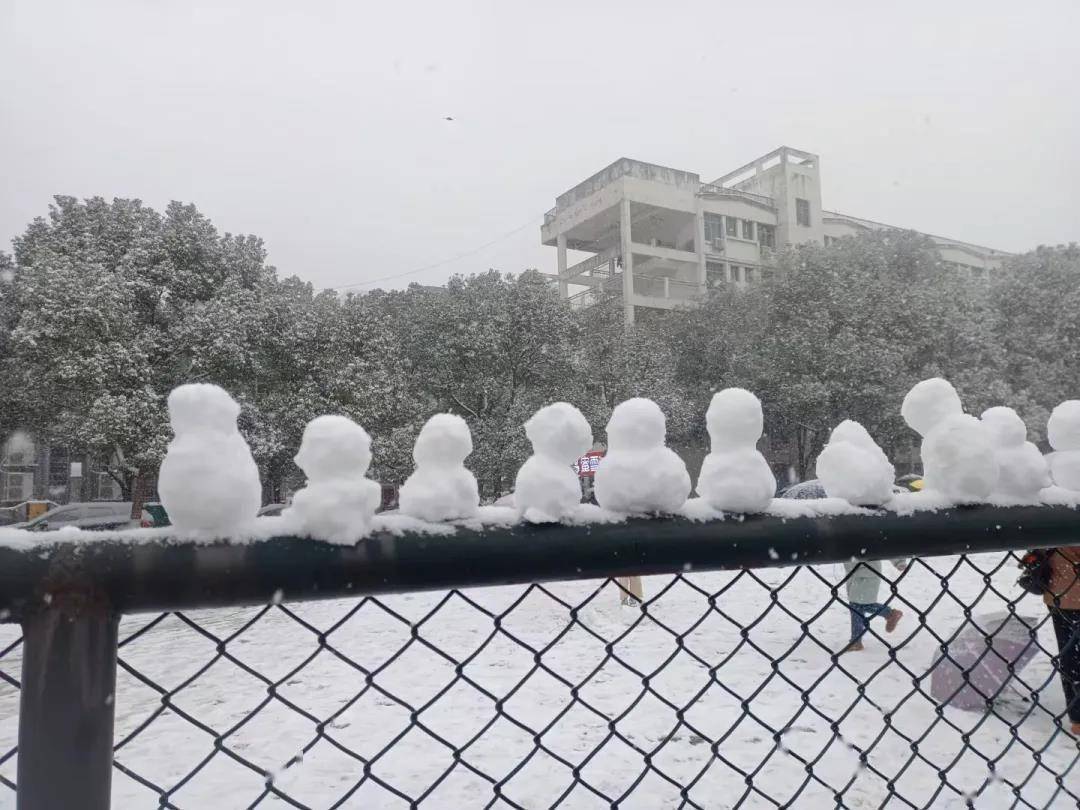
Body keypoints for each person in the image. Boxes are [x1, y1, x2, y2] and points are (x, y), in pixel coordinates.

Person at [1044, 546, 1080, 736]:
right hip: (1063, 593)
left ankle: (1077, 716)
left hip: (1062, 595)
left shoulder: (1049, 516)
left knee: (1070, 656)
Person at [841, 558, 907, 653]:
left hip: (869, 573)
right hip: (854, 573)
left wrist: (899, 561)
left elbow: (887, 545)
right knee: (859, 604)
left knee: (857, 605)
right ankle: (889, 614)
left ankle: (856, 641)